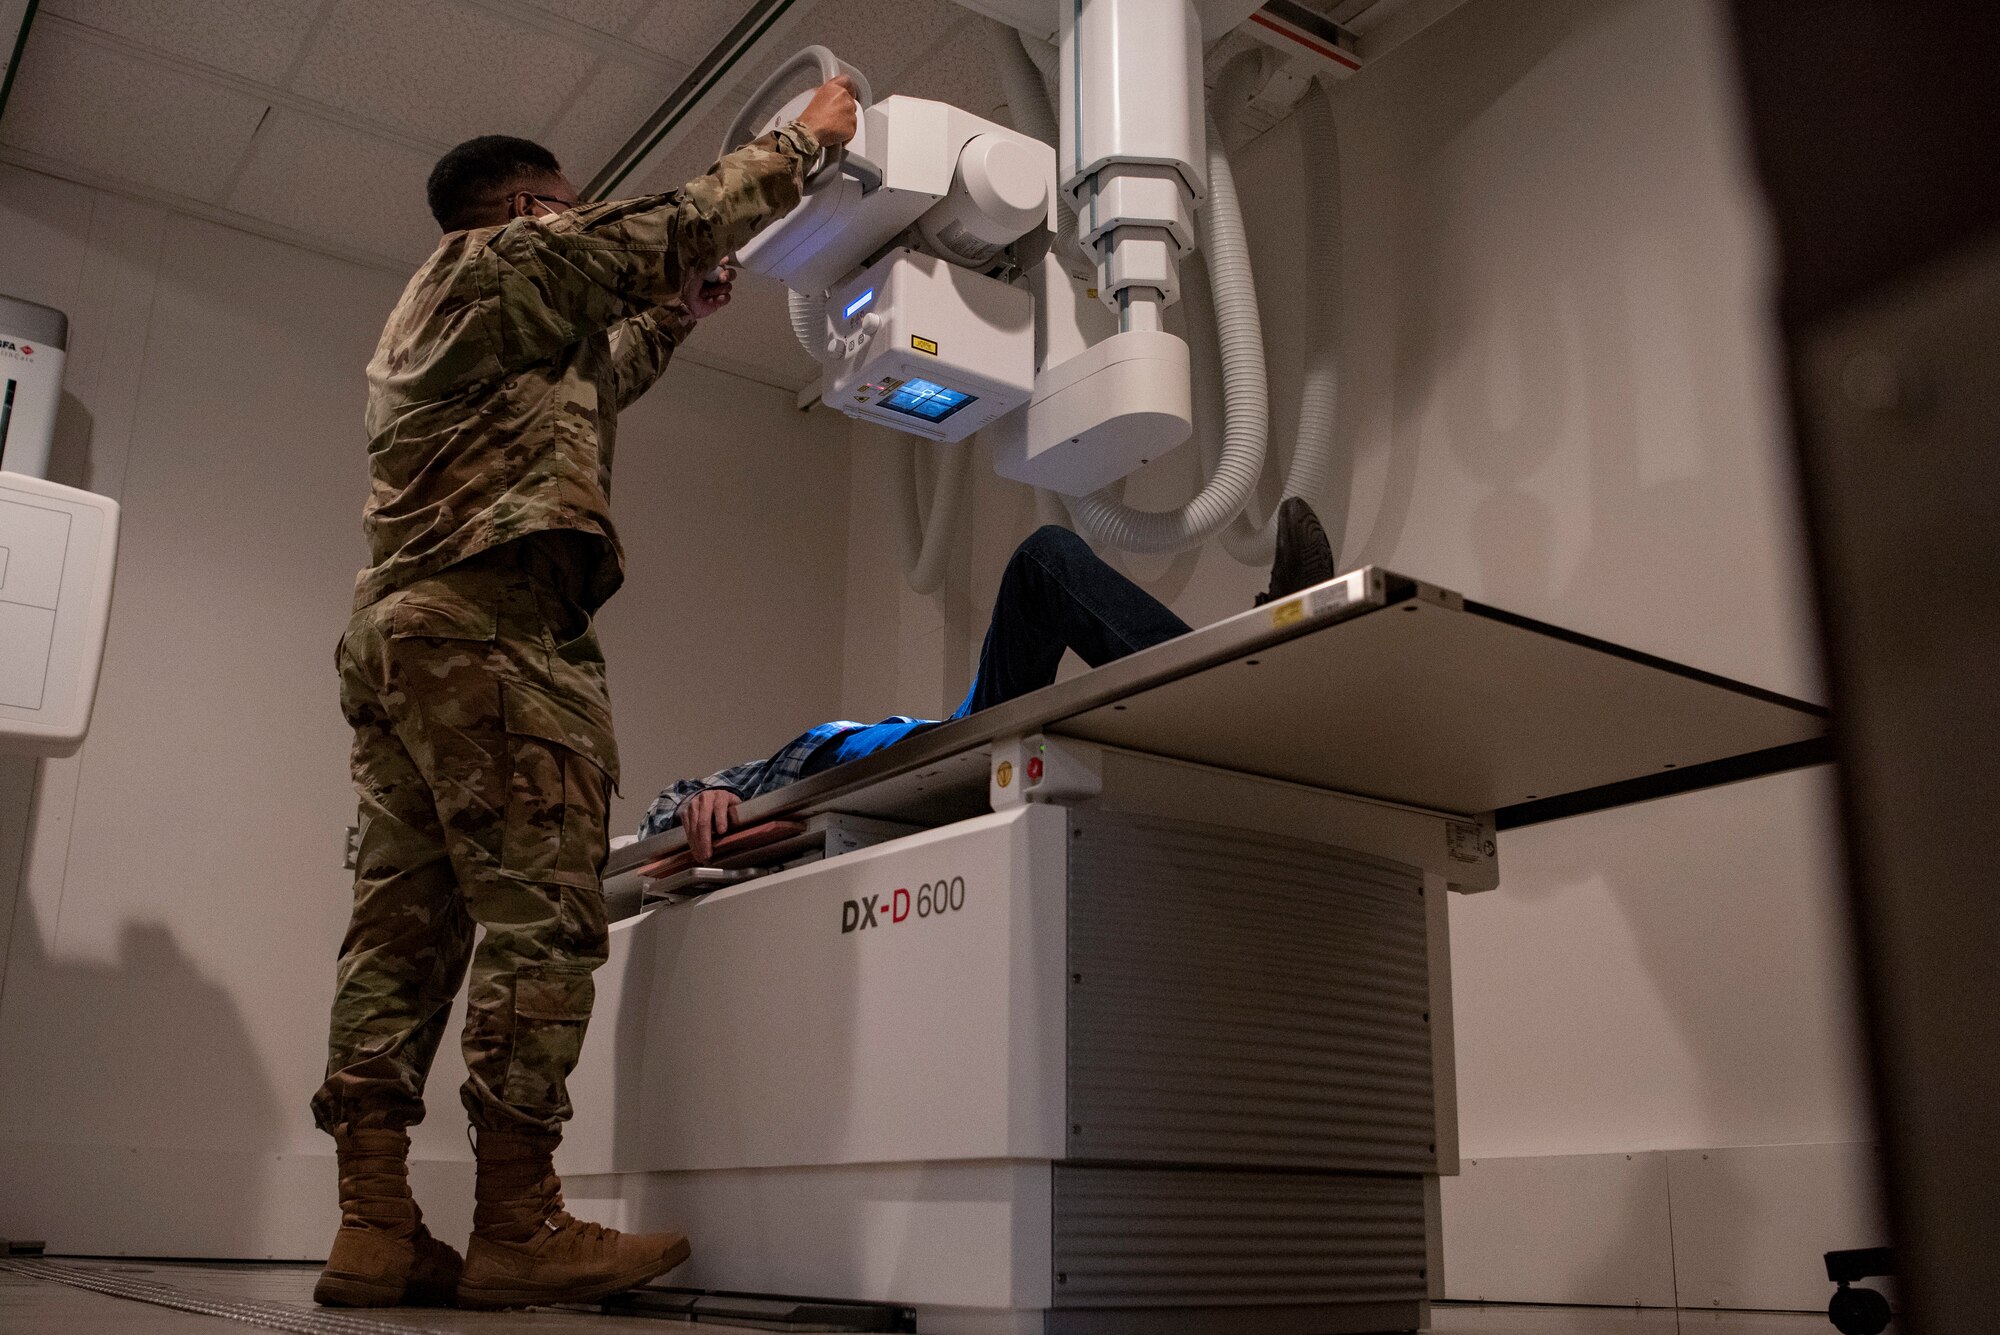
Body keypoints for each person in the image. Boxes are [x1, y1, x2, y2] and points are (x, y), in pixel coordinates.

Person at [311, 77, 862, 1312]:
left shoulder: (449, 320)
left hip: (404, 634)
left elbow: (591, 367)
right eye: (568, 210)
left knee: (402, 932)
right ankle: (518, 1226)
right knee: (541, 919)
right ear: (524, 207)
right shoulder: (502, 256)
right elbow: (642, 235)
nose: (576, 223)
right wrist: (797, 148)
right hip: (495, 627)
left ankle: (372, 1227)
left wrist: (673, 313)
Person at [645, 500, 1337, 861]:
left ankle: (1236, 669)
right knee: (1045, 561)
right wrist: (696, 802)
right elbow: (658, 814)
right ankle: (1236, 674)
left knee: (1048, 563)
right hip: (947, 754)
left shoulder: (846, 741)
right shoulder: (756, 783)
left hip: (949, 734)